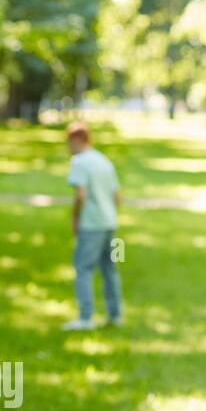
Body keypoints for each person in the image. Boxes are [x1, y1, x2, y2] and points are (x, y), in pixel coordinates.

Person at [63, 121, 123, 331]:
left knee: (83, 268)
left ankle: (85, 318)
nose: (67, 147)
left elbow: (80, 194)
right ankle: (115, 315)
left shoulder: (80, 162)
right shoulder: (105, 161)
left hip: (91, 224)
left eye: (68, 142)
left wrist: (75, 218)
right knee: (110, 269)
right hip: (110, 223)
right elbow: (118, 197)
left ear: (77, 140)